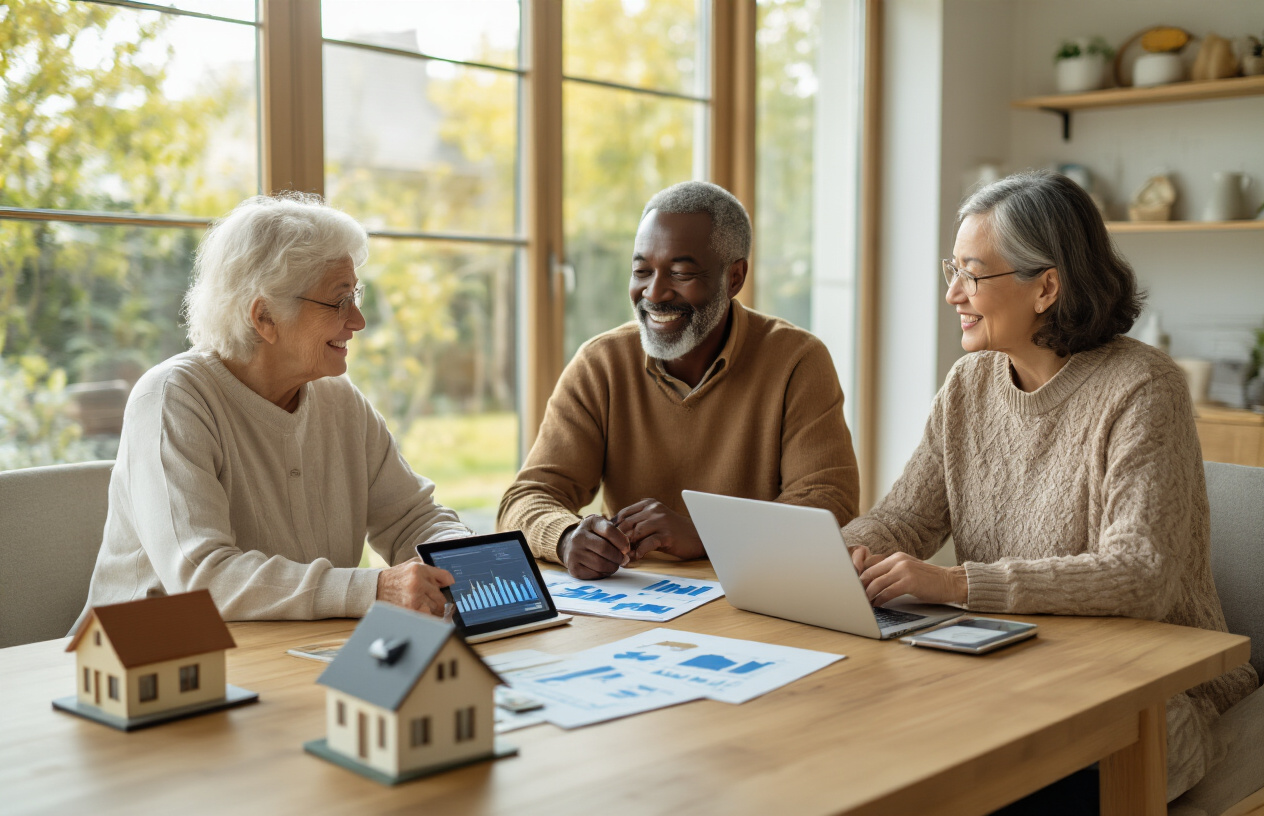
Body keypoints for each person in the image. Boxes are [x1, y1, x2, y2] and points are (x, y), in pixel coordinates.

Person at [842, 170, 1258, 802]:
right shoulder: (969, 384)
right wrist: (840, 553)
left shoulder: (1143, 388)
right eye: (950, 269)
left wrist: (956, 584)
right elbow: (905, 519)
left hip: (1148, 692)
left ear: (1047, 287)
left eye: (973, 274)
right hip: (1008, 668)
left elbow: (1141, 574)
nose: (953, 291)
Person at [74, 193, 465, 626]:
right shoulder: (172, 399)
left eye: (356, 295)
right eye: (339, 301)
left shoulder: (339, 400)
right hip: (158, 658)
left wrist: (467, 563)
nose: (358, 320)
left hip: (293, 649)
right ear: (265, 318)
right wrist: (374, 589)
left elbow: (413, 518)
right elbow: (204, 577)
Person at [498, 180, 860, 579]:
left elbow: (829, 504)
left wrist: (708, 534)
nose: (654, 292)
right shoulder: (600, 364)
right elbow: (526, 499)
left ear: (734, 277)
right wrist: (566, 537)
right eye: (642, 271)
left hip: (755, 589)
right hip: (632, 596)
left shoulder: (797, 360)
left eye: (681, 272)